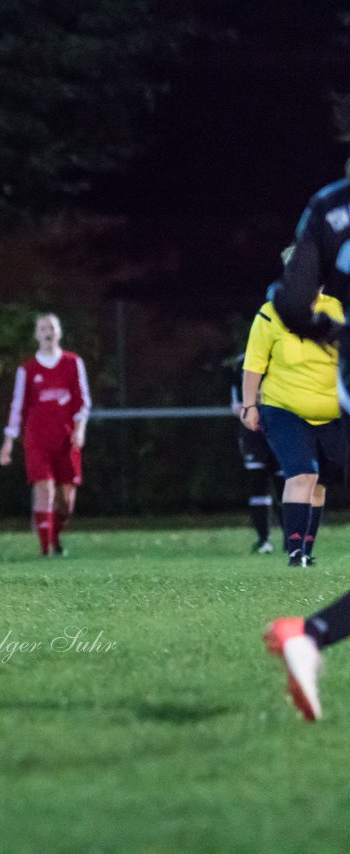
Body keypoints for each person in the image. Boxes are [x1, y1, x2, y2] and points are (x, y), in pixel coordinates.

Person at [265, 145, 350, 721]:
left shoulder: (328, 206)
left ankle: (309, 636)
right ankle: (309, 635)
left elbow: (290, 300)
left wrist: (322, 327)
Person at [239, 292, 344, 567]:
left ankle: (306, 550)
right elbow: (254, 363)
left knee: (320, 482)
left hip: (332, 413)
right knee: (303, 474)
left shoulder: (335, 308)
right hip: (284, 407)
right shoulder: (270, 313)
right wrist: (250, 405)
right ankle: (295, 553)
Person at [0, 313, 91, 557]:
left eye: (51, 327)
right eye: (42, 328)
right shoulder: (27, 370)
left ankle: (55, 537)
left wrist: (80, 430)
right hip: (37, 440)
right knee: (44, 489)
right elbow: (17, 406)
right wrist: (9, 441)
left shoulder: (72, 363)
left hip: (66, 439)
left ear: (59, 332)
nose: (47, 332)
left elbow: (83, 401)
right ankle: (44, 550)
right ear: (36, 334)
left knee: (66, 500)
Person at [229, 354, 284, 554]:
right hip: (254, 436)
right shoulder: (242, 363)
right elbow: (236, 406)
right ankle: (264, 540)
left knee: (286, 486)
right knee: (259, 486)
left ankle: (293, 540)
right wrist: (252, 404)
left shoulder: (283, 359)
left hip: (281, 433)